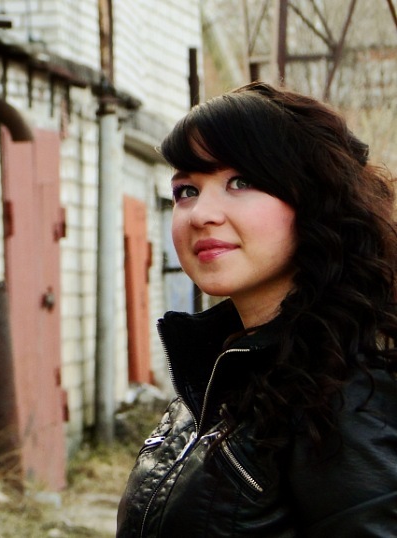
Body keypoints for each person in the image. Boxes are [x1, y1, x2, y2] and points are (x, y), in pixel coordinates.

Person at [116, 81, 397, 537]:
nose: (201, 214)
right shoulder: (225, 366)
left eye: (240, 182)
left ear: (314, 200)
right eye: (186, 190)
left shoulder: (348, 389)